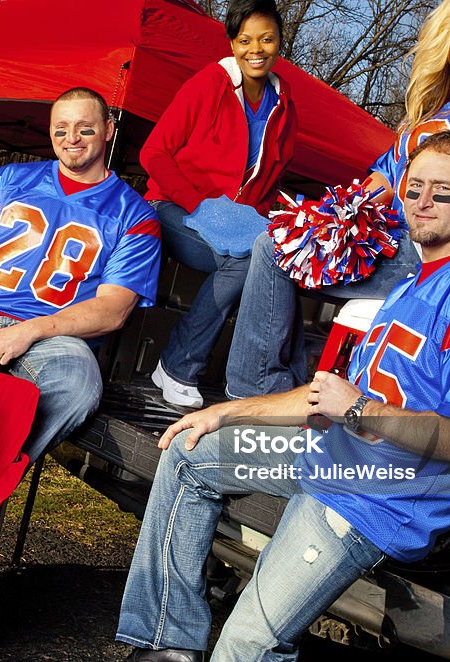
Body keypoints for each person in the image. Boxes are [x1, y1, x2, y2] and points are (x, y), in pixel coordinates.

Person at [90, 131, 450, 662]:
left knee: (247, 645)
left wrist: (361, 412)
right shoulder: (414, 281)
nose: (422, 202)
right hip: (332, 452)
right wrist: (225, 413)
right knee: (190, 455)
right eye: (414, 186)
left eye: (443, 192)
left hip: (374, 495)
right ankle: (170, 647)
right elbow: (328, 394)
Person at [225, 0, 450, 399]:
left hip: (427, 253)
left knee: (272, 249)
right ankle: (270, 390)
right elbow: (385, 177)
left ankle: (254, 393)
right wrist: (326, 222)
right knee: (282, 243)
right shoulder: (436, 107)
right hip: (380, 238)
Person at [0, 87, 161, 462]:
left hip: (57, 336)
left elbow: (113, 309)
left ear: (108, 129)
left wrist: (30, 330)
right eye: (61, 129)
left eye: (84, 129)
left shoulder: (135, 216)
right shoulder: (9, 180)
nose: (71, 139)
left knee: (78, 388)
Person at [143, 0, 297, 408]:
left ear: (281, 42)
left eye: (267, 39)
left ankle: (267, 385)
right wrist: (201, 206)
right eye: (245, 40)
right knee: (246, 262)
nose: (256, 49)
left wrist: (289, 219)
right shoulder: (208, 84)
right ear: (232, 43)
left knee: (277, 256)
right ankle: (177, 365)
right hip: (173, 206)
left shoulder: (285, 108)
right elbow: (153, 153)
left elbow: (267, 185)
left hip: (234, 222)